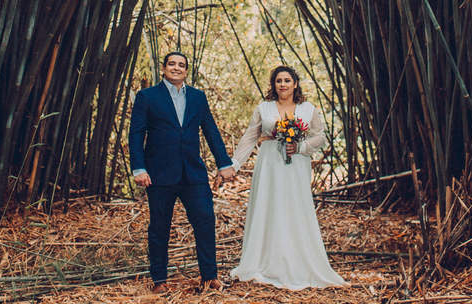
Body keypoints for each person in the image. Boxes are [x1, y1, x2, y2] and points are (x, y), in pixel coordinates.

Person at [228, 65, 346, 289]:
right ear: (274, 85)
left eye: (286, 80)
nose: (282, 84)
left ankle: (297, 259)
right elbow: (249, 138)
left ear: (295, 84)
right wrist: (233, 164)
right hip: (270, 163)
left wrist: (301, 147)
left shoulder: (307, 108)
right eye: (278, 80)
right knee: (269, 205)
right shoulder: (264, 108)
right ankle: (265, 260)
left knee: (295, 206)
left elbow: (319, 136)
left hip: (296, 165)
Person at [129, 51, 236, 293]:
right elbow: (136, 134)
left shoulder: (198, 97)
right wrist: (139, 167)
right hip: (158, 173)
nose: (176, 68)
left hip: (193, 173)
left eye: (181, 65)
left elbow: (210, 130)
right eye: (172, 64)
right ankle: (159, 281)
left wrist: (224, 163)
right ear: (164, 68)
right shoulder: (147, 97)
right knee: (159, 227)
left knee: (205, 221)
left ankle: (210, 277)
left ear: (186, 70)